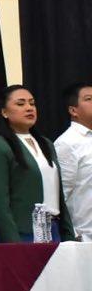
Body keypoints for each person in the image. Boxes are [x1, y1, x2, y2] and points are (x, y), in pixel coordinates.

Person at [0, 85, 74, 242]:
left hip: (53, 229)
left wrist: (68, 233)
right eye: (20, 104)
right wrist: (14, 242)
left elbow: (58, 194)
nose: (29, 108)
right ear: (4, 112)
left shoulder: (46, 143)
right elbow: (0, 203)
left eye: (32, 103)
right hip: (23, 233)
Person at [55, 82, 92, 240]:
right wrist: (74, 235)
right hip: (84, 239)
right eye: (89, 99)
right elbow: (59, 195)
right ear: (73, 110)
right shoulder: (67, 143)